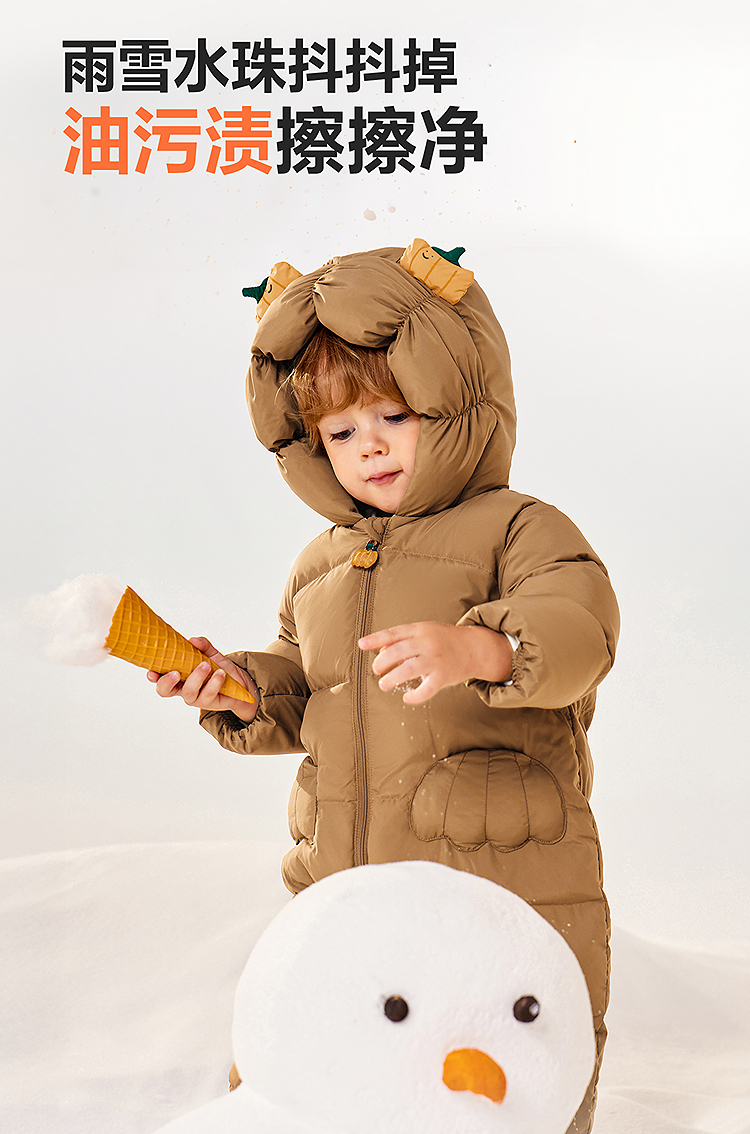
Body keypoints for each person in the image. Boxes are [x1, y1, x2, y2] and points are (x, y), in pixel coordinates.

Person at [149, 245, 619, 1133]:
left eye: (393, 415)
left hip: (498, 873)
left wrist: (480, 647)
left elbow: (579, 625)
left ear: (456, 403)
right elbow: (305, 685)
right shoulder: (320, 565)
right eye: (338, 432)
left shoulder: (517, 528)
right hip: (346, 886)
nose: (367, 444)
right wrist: (239, 689)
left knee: (500, 1080)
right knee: (343, 1079)